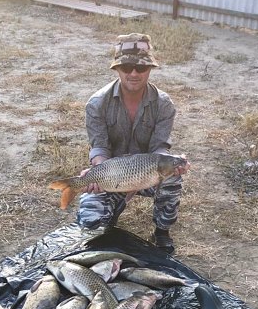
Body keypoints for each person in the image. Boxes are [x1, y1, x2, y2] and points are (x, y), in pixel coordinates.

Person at [76, 32, 190, 254]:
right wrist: (97, 171)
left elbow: (159, 148)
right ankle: (109, 215)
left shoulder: (164, 104)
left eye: (141, 67)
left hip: (148, 174)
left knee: (172, 176)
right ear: (117, 69)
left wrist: (172, 163)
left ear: (150, 69)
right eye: (127, 67)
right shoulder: (96, 103)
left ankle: (162, 231)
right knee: (91, 222)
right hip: (112, 175)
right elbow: (99, 148)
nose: (134, 73)